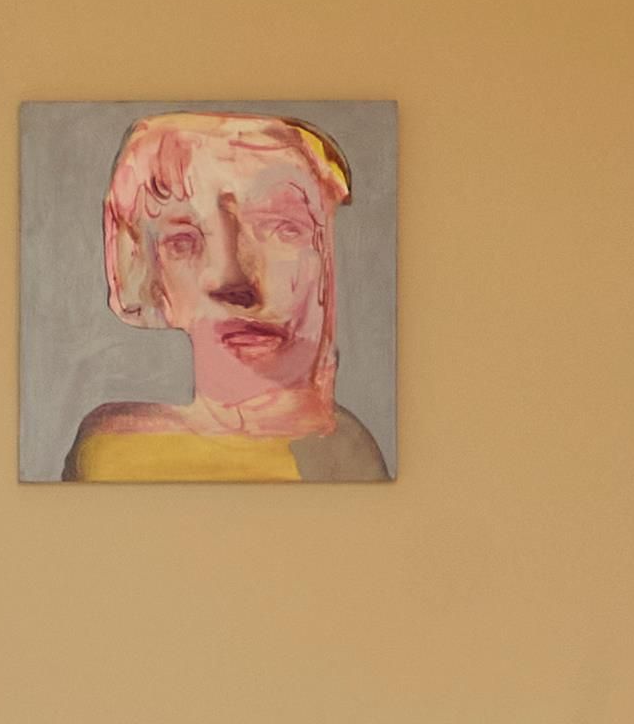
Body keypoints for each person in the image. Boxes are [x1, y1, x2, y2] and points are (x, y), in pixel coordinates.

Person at [59, 97, 389, 480]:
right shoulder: (112, 454)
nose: (232, 282)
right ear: (143, 270)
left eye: (282, 228)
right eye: (183, 242)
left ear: (326, 252)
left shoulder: (347, 458)